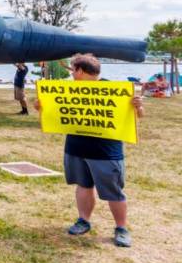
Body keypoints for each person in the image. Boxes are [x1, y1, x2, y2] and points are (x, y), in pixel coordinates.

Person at [34, 53, 144, 248]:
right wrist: (42, 106)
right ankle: (83, 220)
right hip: (76, 148)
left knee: (114, 192)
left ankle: (121, 228)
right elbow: (56, 112)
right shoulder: (69, 90)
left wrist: (138, 107)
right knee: (83, 186)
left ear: (80, 70)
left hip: (106, 151)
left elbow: (138, 116)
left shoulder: (114, 90)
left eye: (72, 70)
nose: (71, 74)